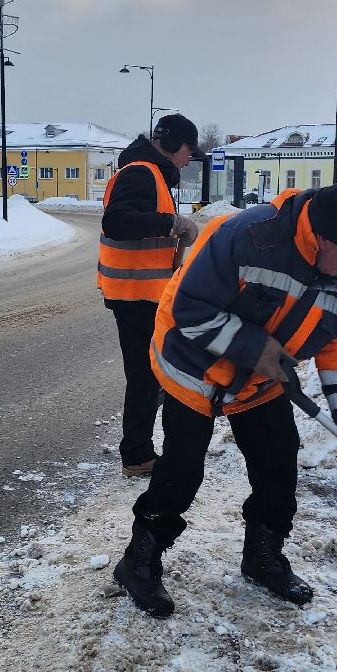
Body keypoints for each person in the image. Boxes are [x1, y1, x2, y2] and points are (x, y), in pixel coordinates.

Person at [113, 178, 337, 617]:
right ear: (320, 237)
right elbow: (192, 310)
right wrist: (257, 350)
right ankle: (139, 560)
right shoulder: (247, 237)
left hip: (260, 379)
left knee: (278, 459)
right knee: (182, 470)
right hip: (192, 360)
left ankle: (263, 557)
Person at [97, 113, 204, 478]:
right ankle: (138, 456)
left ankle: (139, 451)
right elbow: (117, 221)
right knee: (146, 375)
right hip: (135, 292)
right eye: (188, 149)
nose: (189, 158)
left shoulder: (148, 172)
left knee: (151, 374)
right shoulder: (141, 172)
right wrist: (171, 223)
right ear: (173, 145)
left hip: (140, 291)